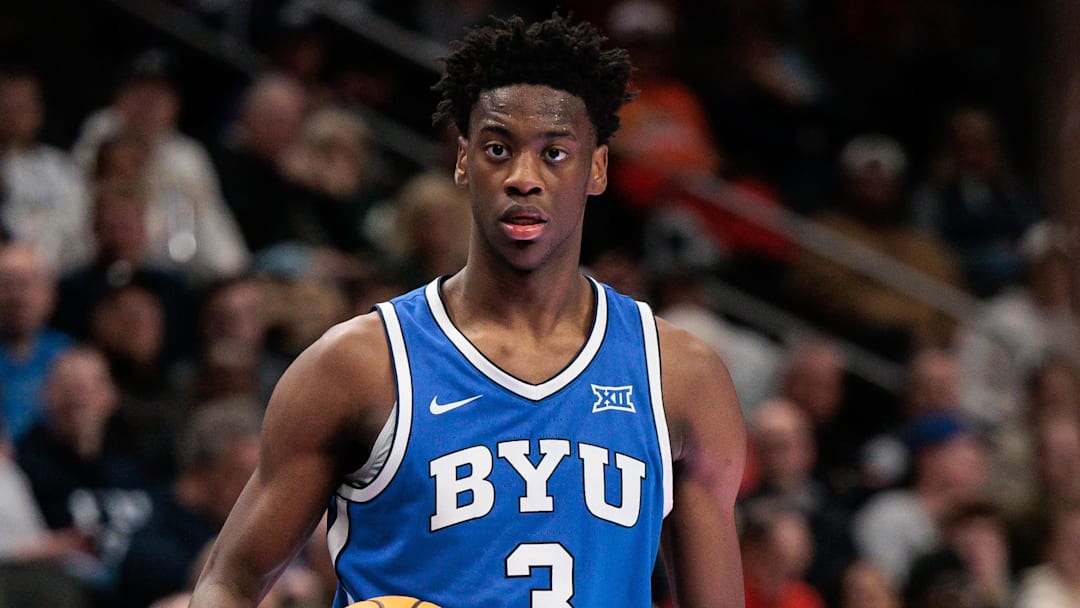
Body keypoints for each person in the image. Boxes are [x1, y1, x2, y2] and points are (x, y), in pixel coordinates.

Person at [190, 13, 746, 608]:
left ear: (598, 168)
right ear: (462, 160)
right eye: (498, 149)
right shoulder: (357, 364)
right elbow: (230, 579)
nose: (523, 178)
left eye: (554, 153)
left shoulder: (680, 376)